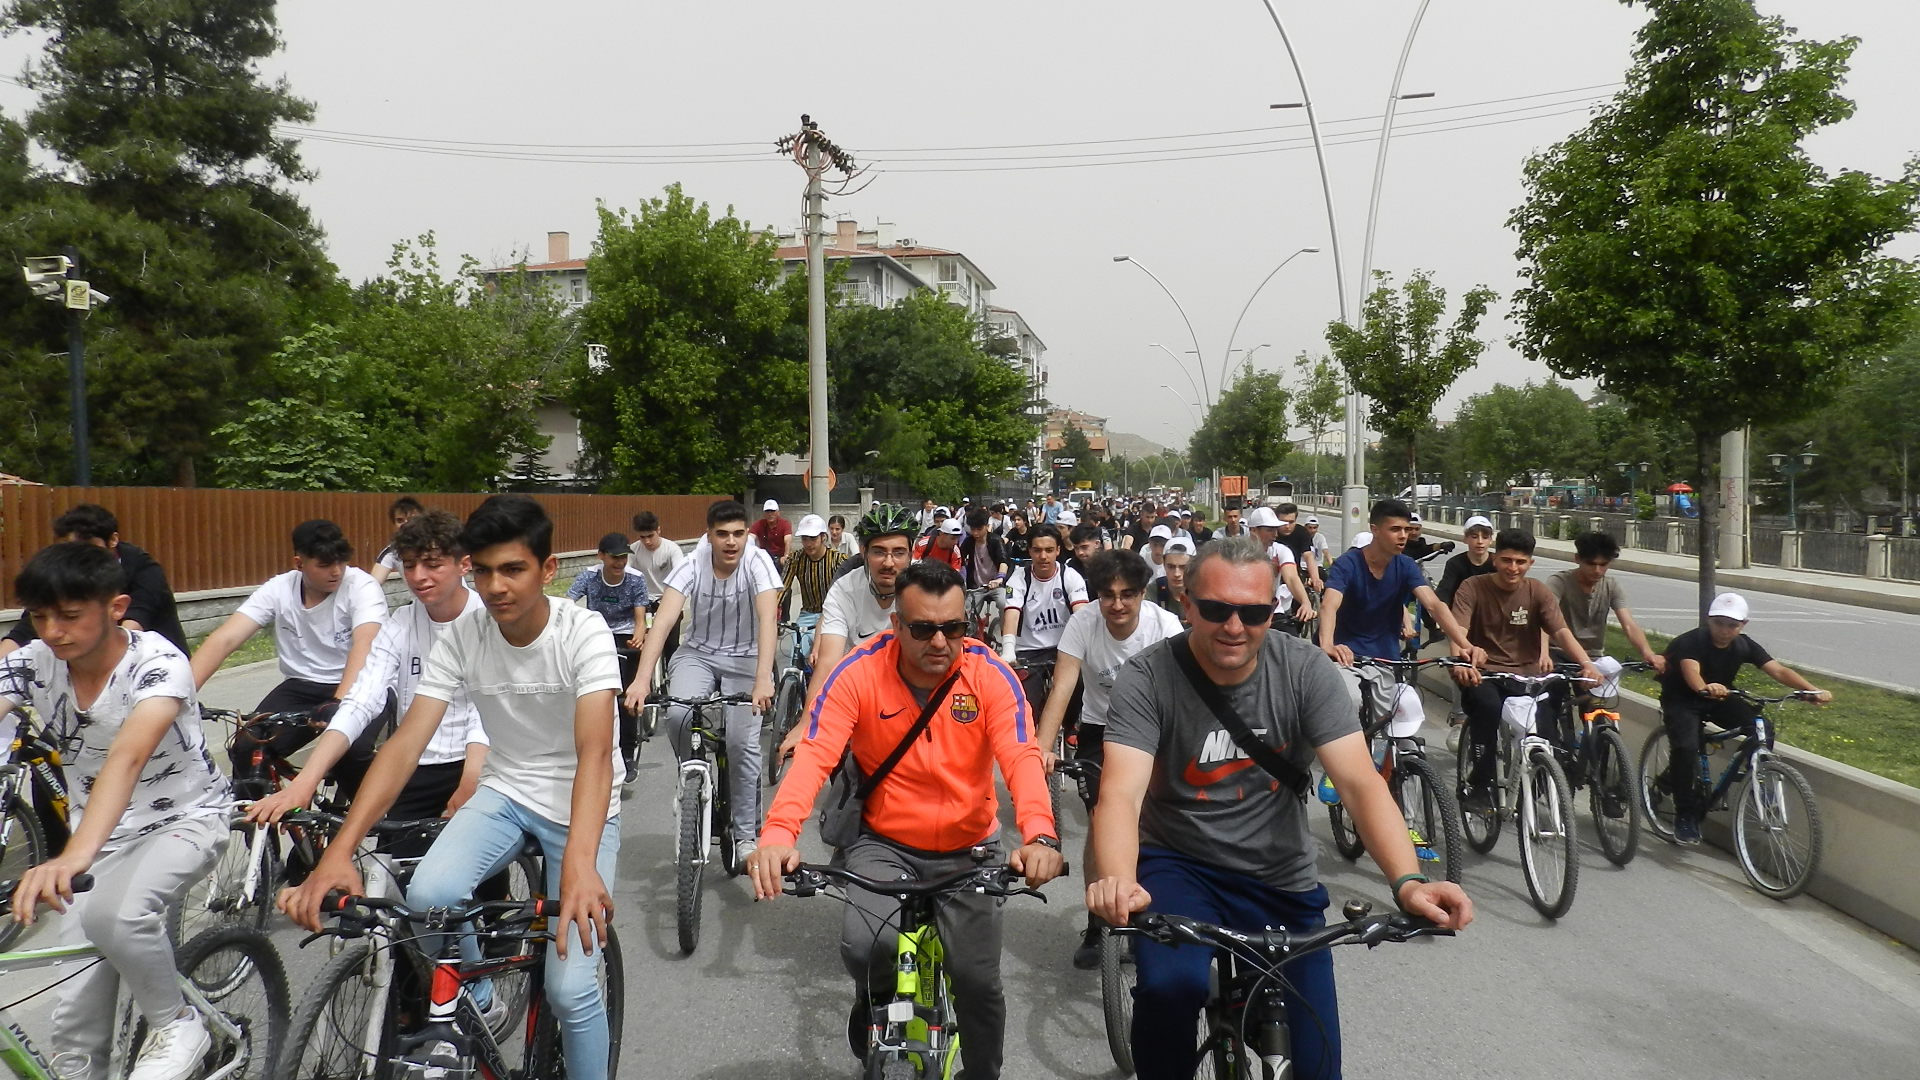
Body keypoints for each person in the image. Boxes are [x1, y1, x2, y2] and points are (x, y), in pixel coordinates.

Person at [1086, 538, 1473, 1079]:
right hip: (1180, 865)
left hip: (1280, 875)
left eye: (1254, 612)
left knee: (1317, 1065)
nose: (1234, 627)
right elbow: (1121, 795)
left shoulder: (1305, 670)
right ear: (1187, 604)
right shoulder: (1147, 677)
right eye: (1217, 610)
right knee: (1170, 991)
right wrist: (1119, 881)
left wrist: (1409, 881)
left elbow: (1360, 783)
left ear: (1276, 611)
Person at [281, 495, 621, 1080]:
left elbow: (595, 757)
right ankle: (479, 995)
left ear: (548, 569)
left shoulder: (582, 631)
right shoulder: (464, 636)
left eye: (513, 569)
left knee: (568, 991)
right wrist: (338, 854)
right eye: (484, 570)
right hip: (507, 792)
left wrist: (582, 867)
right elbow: (404, 745)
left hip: (581, 807)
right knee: (425, 899)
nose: (496, 587)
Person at [747, 561, 1063, 1080]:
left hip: (971, 848)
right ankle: (874, 995)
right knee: (869, 947)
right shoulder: (860, 670)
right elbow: (815, 755)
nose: (940, 641)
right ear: (895, 625)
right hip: (884, 843)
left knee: (977, 983)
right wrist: (778, 836)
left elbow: (1021, 758)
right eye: (923, 628)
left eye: (954, 628)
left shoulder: (989, 675)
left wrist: (1041, 835)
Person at [5, 542, 233, 1080]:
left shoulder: (156, 664)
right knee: (75, 999)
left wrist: (68, 858)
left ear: (115, 606)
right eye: (40, 617)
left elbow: (127, 759)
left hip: (185, 819)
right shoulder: (35, 663)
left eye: (69, 615)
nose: (53, 631)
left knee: (117, 915)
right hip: (98, 833)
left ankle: (177, 1022)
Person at [245, 510, 490, 831]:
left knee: (477, 877)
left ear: (464, 564)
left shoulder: (488, 622)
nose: (418, 576)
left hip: (478, 767)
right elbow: (362, 700)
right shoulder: (400, 624)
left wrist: (472, 778)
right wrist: (305, 782)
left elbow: (485, 711)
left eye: (432, 564)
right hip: (412, 766)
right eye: (409, 564)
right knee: (388, 872)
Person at [1033, 548, 1184, 969]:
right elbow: (1062, 687)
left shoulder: (1165, 625)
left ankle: (1148, 911)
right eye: (1108, 595)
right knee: (1103, 823)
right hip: (1102, 731)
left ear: (1142, 594)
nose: (1117, 605)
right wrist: (1041, 750)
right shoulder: (1083, 623)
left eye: (1128, 595)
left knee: (1154, 825)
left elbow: (1184, 689)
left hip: (1158, 729)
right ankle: (1099, 922)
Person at [627, 500, 780, 863]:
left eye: (739, 534)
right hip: (697, 653)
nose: (731, 542)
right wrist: (641, 680)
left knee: (743, 745)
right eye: (722, 534)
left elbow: (767, 621)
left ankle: (745, 835)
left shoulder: (757, 563)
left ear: (747, 534)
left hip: (746, 658)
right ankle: (693, 782)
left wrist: (763, 679)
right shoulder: (692, 562)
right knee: (679, 717)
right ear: (709, 535)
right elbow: (663, 621)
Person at [192, 520, 388, 798]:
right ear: (299, 563)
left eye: (341, 562)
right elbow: (226, 639)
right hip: (301, 686)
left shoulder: (362, 587)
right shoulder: (279, 589)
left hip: (363, 683)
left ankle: (367, 817)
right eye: (324, 565)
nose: (336, 572)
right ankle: (258, 833)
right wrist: (179, 694)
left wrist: (337, 702)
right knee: (246, 747)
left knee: (350, 751)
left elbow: (365, 643)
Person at [1448, 530, 1604, 811]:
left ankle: (1546, 771)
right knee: (1487, 707)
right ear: (1495, 559)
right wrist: (1461, 660)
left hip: (1529, 675)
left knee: (1551, 713)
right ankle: (1481, 783)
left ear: (1530, 563)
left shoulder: (1538, 591)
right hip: (1484, 672)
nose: (1513, 568)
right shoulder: (1472, 587)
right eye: (1506, 560)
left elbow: (1561, 632)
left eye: (1520, 562)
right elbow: (1458, 631)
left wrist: (1586, 664)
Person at [1656, 593, 1829, 845]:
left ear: (1743, 625)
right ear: (1709, 620)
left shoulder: (1744, 644)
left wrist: (1811, 690)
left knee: (1761, 727)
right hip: (1682, 699)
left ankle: (1757, 774)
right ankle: (1685, 815)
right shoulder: (1691, 641)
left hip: (1719, 697)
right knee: (1685, 747)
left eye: (1732, 625)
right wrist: (1706, 686)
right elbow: (1691, 672)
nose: (1724, 630)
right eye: (1719, 623)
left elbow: (1778, 670)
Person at [1, 503, 186, 657]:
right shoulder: (66, 574)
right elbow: (25, 629)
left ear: (113, 540)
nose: (78, 556)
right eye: (70, 548)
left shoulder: (144, 568)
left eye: (87, 547)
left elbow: (135, 621)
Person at [567, 532, 652, 784]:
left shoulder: (636, 579)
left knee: (626, 699)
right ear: (601, 556)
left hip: (625, 636)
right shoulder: (589, 576)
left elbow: (640, 618)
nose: (619, 563)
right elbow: (568, 603)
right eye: (614, 558)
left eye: (624, 557)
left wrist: (639, 637)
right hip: (596, 633)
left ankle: (627, 753)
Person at [997, 524, 1090, 709]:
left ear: (1058, 550)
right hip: (1028, 652)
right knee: (1026, 707)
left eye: (1049, 550)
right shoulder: (1018, 578)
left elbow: (1082, 614)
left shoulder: (1070, 576)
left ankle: (1071, 729)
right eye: (1037, 550)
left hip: (1064, 649)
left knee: (1079, 690)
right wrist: (1008, 649)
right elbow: (1012, 613)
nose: (1043, 556)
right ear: (1029, 551)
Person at [1547, 531, 1667, 673]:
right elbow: (1546, 620)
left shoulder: (1611, 586)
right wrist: (1543, 654)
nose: (1597, 570)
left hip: (1594, 656)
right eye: (1591, 564)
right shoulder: (1558, 582)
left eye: (1603, 564)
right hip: (1558, 653)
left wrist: (1648, 653)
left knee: (1595, 693)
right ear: (1577, 559)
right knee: (1553, 691)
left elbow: (1628, 624)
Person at [628, 509, 688, 690]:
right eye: (642, 537)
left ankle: (676, 681)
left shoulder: (672, 550)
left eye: (650, 536)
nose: (647, 541)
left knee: (671, 645)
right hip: (644, 603)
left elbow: (681, 577)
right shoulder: (634, 550)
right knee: (642, 642)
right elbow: (628, 574)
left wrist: (671, 601)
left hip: (668, 600)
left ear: (659, 530)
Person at [780, 514, 844, 655]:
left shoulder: (838, 560)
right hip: (807, 615)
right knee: (796, 657)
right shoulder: (795, 559)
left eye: (813, 538)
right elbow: (782, 589)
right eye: (804, 539)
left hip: (833, 615)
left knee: (832, 656)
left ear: (823, 537)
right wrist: (771, 613)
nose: (808, 544)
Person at [1434, 515, 1496, 607]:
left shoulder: (1498, 562)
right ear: (1465, 539)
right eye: (1474, 537)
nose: (1480, 541)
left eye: (1485, 537)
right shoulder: (1454, 564)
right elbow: (1444, 594)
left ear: (1491, 540)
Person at [370, 495, 426, 585]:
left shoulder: (439, 545)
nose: (406, 524)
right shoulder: (392, 552)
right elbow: (372, 585)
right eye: (400, 520)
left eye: (412, 519)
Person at [958, 508, 1010, 596]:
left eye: (979, 529)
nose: (975, 533)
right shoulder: (968, 541)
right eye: (973, 529)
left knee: (1004, 604)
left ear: (986, 526)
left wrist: (1000, 578)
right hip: (976, 587)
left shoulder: (996, 540)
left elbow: (1003, 561)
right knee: (968, 608)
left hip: (997, 585)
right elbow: (959, 558)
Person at [1150, 537, 1195, 620]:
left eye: (1183, 567)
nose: (1177, 574)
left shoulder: (1203, 592)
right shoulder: (1153, 590)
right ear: (1163, 564)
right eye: (1171, 567)